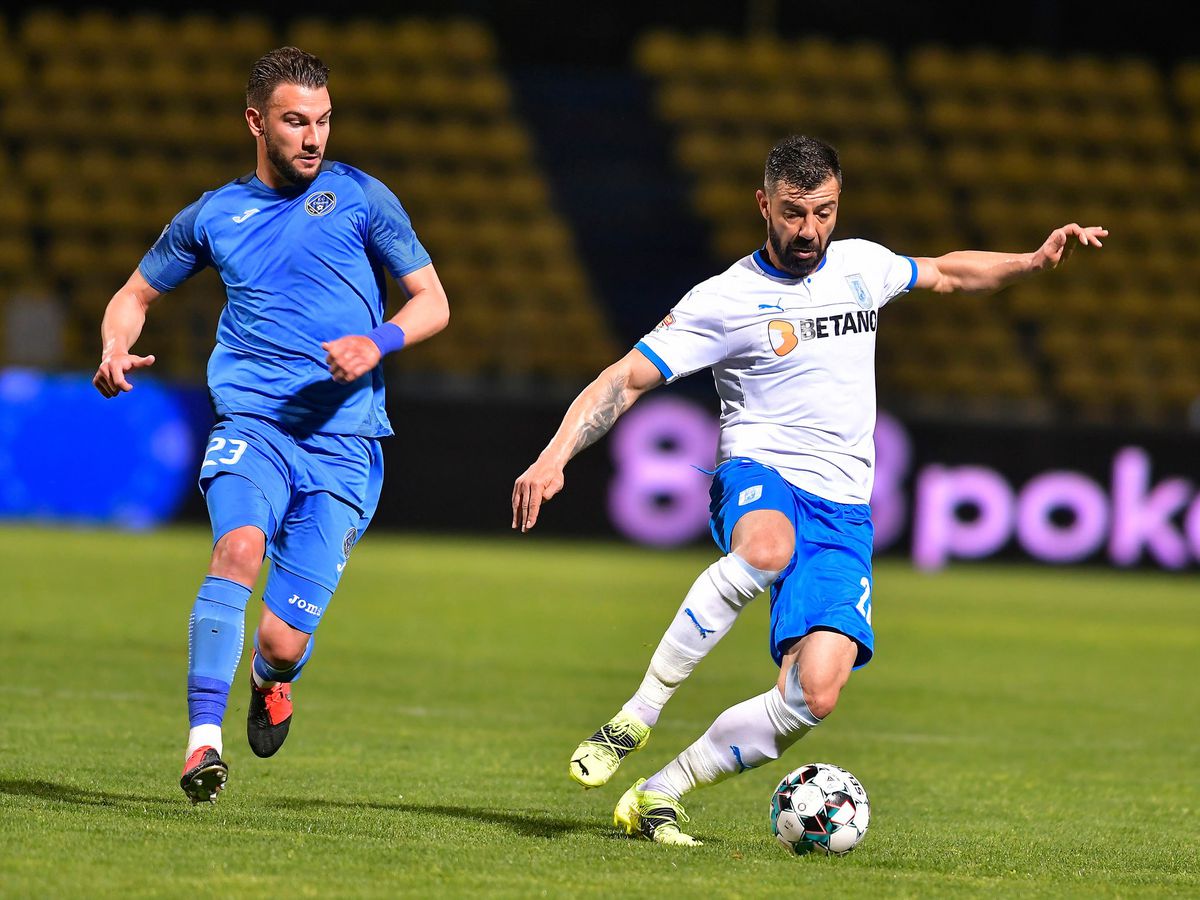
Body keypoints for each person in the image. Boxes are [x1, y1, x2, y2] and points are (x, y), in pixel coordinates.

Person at [511, 134, 1105, 846]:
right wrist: (555, 456)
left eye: (823, 212)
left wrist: (1031, 261)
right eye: (793, 213)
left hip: (845, 511)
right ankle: (636, 714)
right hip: (762, 474)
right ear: (764, 204)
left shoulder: (861, 266)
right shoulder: (725, 299)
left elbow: (946, 272)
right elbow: (623, 378)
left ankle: (657, 794)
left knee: (814, 693)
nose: (809, 230)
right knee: (765, 546)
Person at [92, 47, 449, 804]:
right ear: (257, 122)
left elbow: (432, 301)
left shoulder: (361, 198)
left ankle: (269, 678)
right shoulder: (214, 215)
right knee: (237, 547)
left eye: (323, 120)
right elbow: (133, 293)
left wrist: (377, 340)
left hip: (347, 444)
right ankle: (201, 745)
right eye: (295, 121)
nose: (313, 137)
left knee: (285, 640)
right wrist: (114, 344)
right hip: (254, 423)